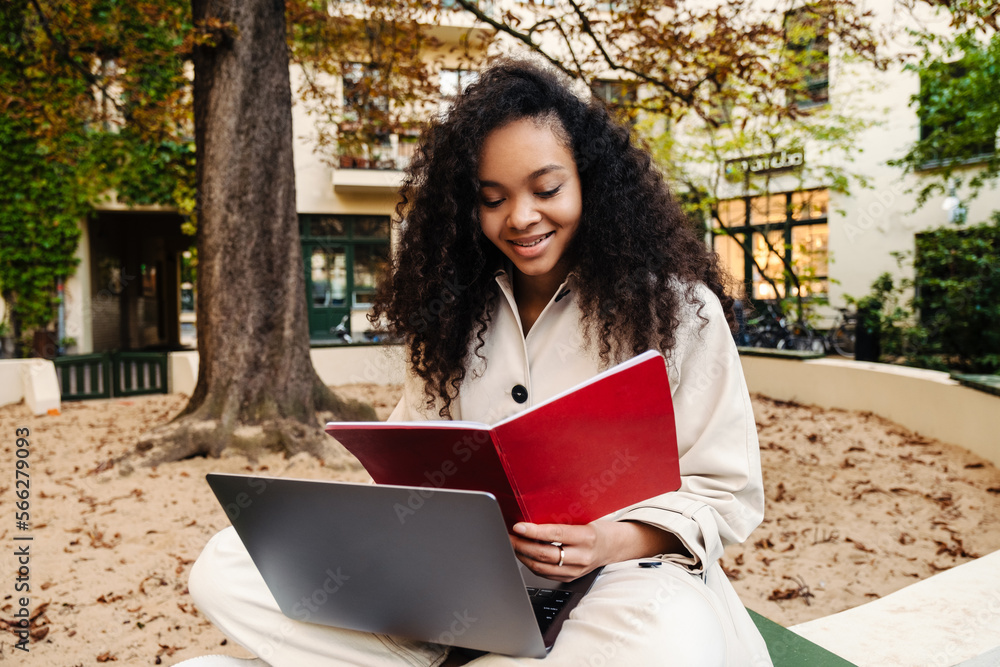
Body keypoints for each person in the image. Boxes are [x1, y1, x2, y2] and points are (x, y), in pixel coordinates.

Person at [188, 58, 771, 666]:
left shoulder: (678, 311)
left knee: (667, 633)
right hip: (464, 586)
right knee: (228, 566)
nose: (520, 218)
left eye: (546, 190)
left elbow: (725, 490)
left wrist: (606, 540)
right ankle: (436, 651)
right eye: (492, 200)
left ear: (591, 184)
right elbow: (410, 460)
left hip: (622, 581)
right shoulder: (449, 317)